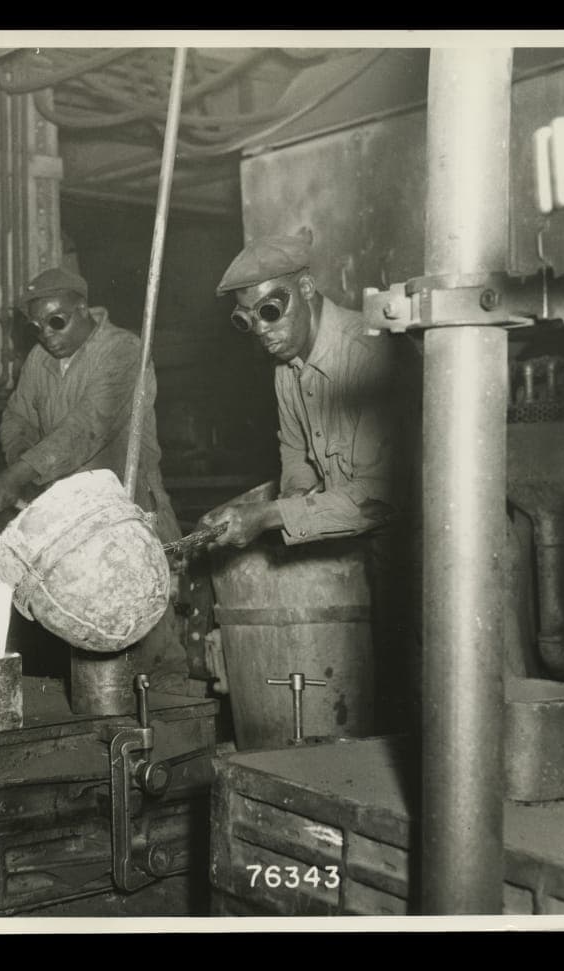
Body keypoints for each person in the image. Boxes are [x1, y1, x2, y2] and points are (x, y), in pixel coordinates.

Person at [199, 228, 420, 729]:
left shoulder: (369, 356)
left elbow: (377, 500)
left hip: (437, 556)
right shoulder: (287, 368)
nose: (260, 329)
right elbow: (296, 457)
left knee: (445, 708)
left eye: (269, 311)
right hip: (381, 556)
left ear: (304, 290)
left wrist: (270, 516)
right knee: (389, 709)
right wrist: (282, 510)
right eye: (245, 320)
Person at [0, 267, 195, 694]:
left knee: (149, 642)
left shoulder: (122, 351)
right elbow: (16, 416)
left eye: (56, 321)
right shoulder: (39, 361)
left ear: (83, 310)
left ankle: (174, 725)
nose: (45, 333)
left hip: (126, 516)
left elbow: (86, 429)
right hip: (69, 526)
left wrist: (23, 471)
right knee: (86, 653)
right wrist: (20, 465)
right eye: (36, 326)